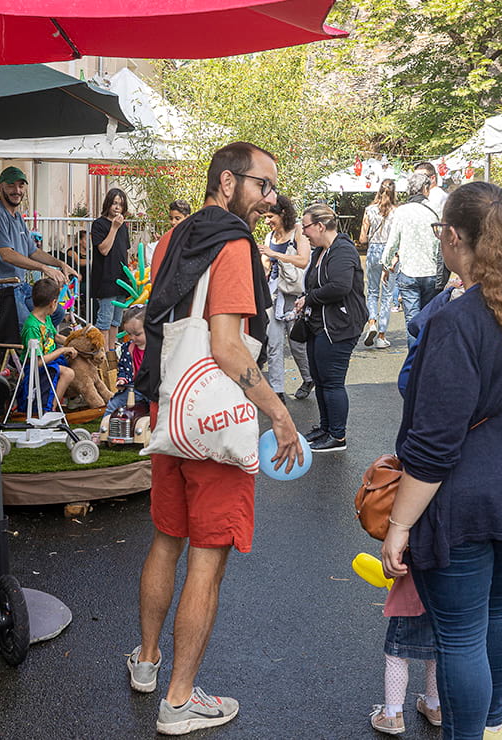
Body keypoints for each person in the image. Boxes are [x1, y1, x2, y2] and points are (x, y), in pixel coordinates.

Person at [128, 141, 302, 736]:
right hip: (216, 421)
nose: (268, 199)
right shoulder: (232, 243)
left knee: (165, 538)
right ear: (228, 182)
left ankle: (147, 662)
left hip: (171, 409)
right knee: (207, 556)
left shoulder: (173, 238)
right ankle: (179, 702)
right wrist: (279, 414)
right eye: (262, 185)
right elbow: (227, 344)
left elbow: (155, 321)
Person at [381, 181, 502, 740]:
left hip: (463, 504)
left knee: (459, 636)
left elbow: (434, 446)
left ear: (454, 237)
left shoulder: (453, 323)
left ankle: (475, 731)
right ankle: (495, 721)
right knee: (498, 610)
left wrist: (398, 524)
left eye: (441, 234)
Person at [293, 203, 367, 453]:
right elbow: (316, 284)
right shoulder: (321, 251)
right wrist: (306, 298)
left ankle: (337, 436)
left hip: (339, 326)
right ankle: (325, 428)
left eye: (306, 227)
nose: (303, 233)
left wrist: (309, 299)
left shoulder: (343, 250)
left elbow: (340, 286)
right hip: (320, 325)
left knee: (332, 382)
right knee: (321, 379)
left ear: (320, 226)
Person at [0, 167, 78, 331]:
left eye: (21, 186)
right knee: (26, 327)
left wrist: (60, 264)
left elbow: (33, 252)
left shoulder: (18, 217)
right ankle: (31, 355)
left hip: (20, 287)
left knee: (57, 312)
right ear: (0, 187)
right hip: (3, 288)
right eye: (11, 186)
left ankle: (47, 350)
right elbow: (7, 254)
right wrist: (44, 268)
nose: (17, 190)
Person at [370, 573, 442, 734]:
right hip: (443, 598)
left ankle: (392, 715)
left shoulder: (414, 545)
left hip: (410, 597)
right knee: (436, 654)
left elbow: (391, 569)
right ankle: (435, 706)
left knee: (396, 655)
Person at [258, 194, 313, 401]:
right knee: (273, 343)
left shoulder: (298, 231)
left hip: (295, 296)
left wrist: (276, 254)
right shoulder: (270, 237)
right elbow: (266, 264)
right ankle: (277, 391)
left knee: (297, 344)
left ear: (283, 214)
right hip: (274, 295)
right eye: (265, 217)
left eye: (270, 216)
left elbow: (303, 260)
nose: (267, 221)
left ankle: (308, 378)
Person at [381, 173, 441, 335]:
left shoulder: (401, 211)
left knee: (412, 321)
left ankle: (413, 359)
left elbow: (392, 241)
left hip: (408, 273)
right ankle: (427, 357)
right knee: (429, 321)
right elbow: (441, 241)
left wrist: (386, 266)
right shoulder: (435, 210)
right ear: (425, 189)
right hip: (431, 273)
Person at [19, 278, 77, 411]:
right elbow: (37, 362)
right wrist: (62, 351)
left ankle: (71, 400)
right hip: (36, 367)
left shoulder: (46, 317)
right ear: (53, 303)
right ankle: (51, 408)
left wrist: (72, 343)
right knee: (68, 373)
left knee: (75, 362)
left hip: (50, 360)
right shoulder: (32, 327)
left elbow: (55, 336)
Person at [91, 187, 132, 351]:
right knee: (104, 321)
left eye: (120, 205)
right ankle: (101, 356)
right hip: (105, 280)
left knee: (116, 321)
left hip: (121, 279)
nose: (117, 207)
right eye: (114, 203)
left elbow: (125, 252)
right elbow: (104, 250)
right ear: (108, 204)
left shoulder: (124, 226)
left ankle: (111, 353)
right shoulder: (99, 224)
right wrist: (113, 228)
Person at [360, 179, 397, 349]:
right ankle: (382, 336)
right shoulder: (397, 212)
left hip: (373, 251)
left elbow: (362, 238)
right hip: (390, 252)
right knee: (387, 295)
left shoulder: (369, 210)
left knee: (373, 291)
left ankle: (372, 323)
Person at [103, 306, 149, 416]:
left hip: (151, 390)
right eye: (129, 334)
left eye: (137, 334)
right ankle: (104, 429)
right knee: (113, 404)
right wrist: (122, 379)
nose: (132, 337)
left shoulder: (156, 348)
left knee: (159, 408)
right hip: (133, 388)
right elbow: (123, 366)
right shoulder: (127, 348)